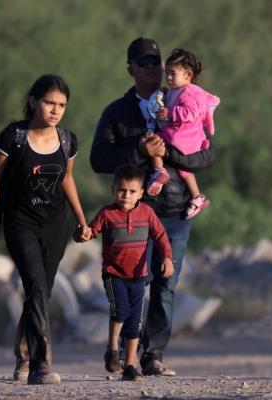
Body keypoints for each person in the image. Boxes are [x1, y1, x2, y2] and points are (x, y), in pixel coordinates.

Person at [90, 37, 216, 376]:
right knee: (132, 283)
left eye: (156, 62)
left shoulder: (185, 101)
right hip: (132, 215)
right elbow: (98, 159)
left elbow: (207, 154)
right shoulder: (117, 112)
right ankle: (117, 349)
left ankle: (153, 355)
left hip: (175, 211)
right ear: (130, 68)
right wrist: (139, 151)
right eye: (143, 62)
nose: (152, 68)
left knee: (166, 287)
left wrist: (169, 154)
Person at [0, 74, 90, 385]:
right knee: (37, 287)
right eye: (49, 102)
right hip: (19, 221)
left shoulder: (68, 140)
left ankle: (23, 353)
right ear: (33, 101)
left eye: (61, 105)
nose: (55, 109)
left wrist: (81, 220)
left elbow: (66, 178)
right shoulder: (13, 136)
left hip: (55, 224)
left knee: (41, 291)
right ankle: (42, 364)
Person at [84, 165, 173, 381]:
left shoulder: (147, 213)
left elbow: (160, 236)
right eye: (121, 190)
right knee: (120, 310)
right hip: (114, 274)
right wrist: (83, 234)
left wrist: (167, 257)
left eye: (132, 191)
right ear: (113, 189)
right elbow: (91, 231)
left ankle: (130, 366)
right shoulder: (107, 213)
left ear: (141, 193)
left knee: (135, 322)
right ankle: (113, 349)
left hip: (138, 276)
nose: (126, 196)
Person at [146, 48, 220, 219]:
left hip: (183, 137)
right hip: (183, 138)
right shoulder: (175, 90)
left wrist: (170, 112)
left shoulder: (190, 92)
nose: (169, 78)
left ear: (188, 74)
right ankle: (197, 197)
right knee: (184, 170)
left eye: (173, 74)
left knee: (153, 140)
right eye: (167, 74)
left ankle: (159, 171)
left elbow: (191, 113)